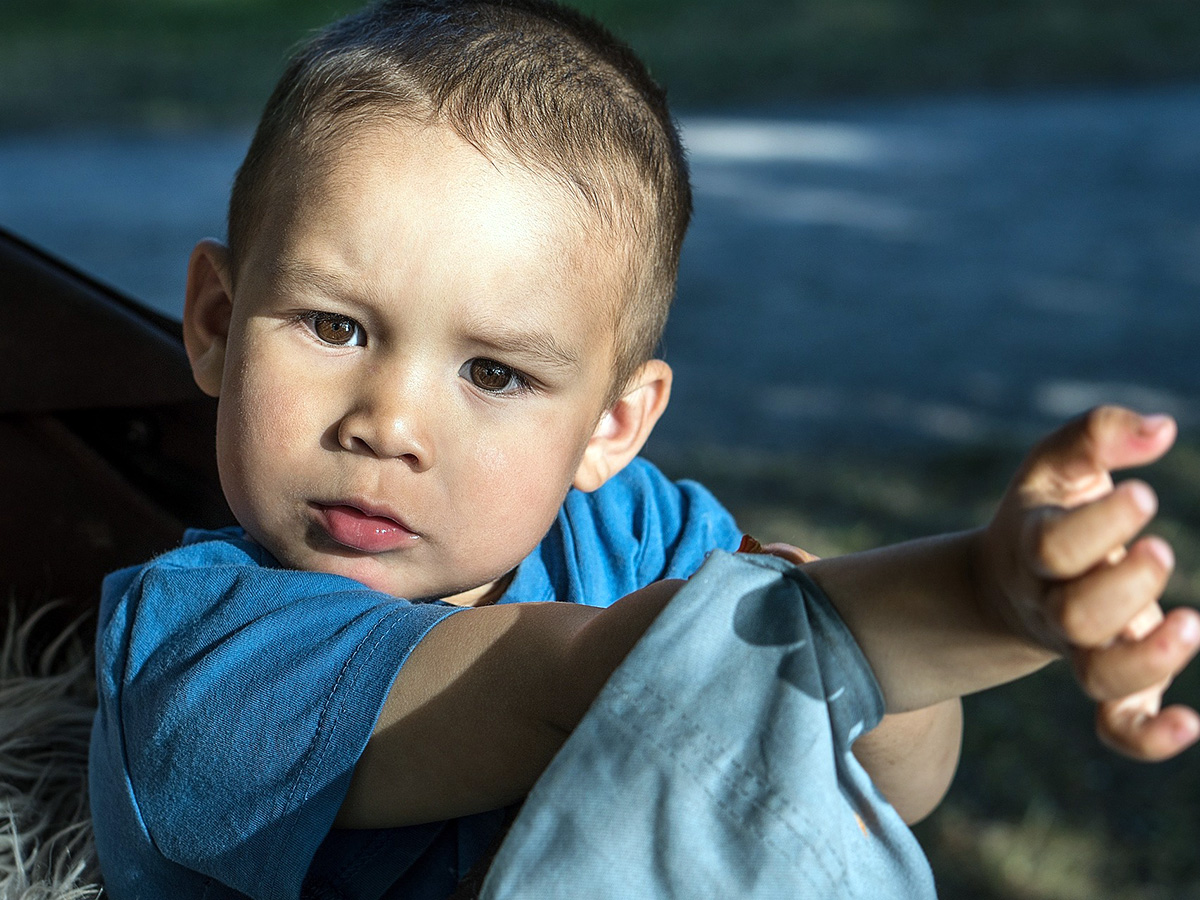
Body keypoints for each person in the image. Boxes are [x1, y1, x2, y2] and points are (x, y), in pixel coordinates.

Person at [87, 1, 1200, 897]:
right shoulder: (198, 660)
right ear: (219, 325)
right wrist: (941, 598)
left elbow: (889, 774)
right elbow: (577, 677)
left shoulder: (643, 536)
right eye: (336, 327)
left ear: (613, 426)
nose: (388, 424)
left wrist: (994, 616)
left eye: (492, 372)